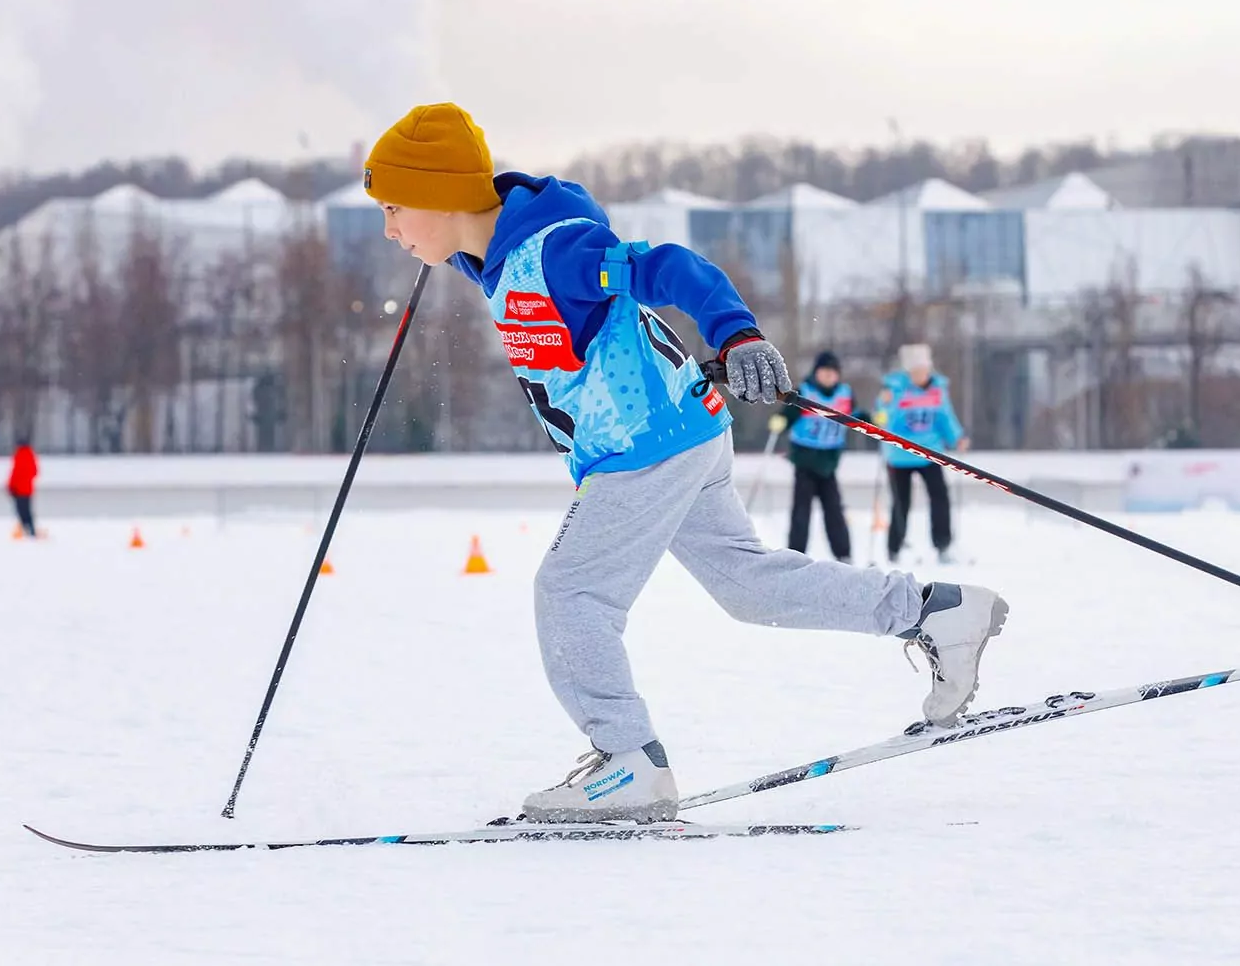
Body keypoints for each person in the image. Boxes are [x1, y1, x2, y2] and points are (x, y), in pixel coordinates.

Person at [363, 103, 1009, 824]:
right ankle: (935, 612)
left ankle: (628, 761)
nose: (388, 229)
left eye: (393, 208)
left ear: (443, 193)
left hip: (645, 445)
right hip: (681, 432)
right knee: (749, 585)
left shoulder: (557, 251)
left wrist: (737, 334)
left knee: (570, 593)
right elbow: (470, 242)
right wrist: (442, 244)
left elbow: (670, 267)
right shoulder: (487, 252)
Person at [874, 344, 968, 565]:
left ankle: (943, 545)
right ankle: (894, 549)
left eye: (923, 370)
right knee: (900, 503)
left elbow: (945, 416)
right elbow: (882, 419)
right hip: (900, 454)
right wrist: (885, 405)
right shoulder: (895, 389)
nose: (920, 375)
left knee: (940, 498)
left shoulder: (937, 389)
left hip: (930, 453)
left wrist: (957, 437)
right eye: (915, 371)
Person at [767, 351, 864, 562]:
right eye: (824, 372)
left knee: (835, 510)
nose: (828, 376)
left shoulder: (844, 394)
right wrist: (780, 421)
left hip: (829, 463)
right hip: (805, 461)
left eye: (832, 372)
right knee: (801, 512)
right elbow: (789, 413)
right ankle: (796, 554)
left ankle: (843, 553)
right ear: (816, 372)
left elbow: (855, 415)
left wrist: (872, 420)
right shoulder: (806, 391)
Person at [8, 437, 39, 538]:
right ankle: (30, 529)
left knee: (20, 510)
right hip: (28, 489)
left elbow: (15, 473)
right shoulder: (31, 455)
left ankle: (26, 529)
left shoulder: (19, 456)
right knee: (27, 510)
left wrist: (10, 486)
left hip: (18, 489)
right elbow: (35, 472)